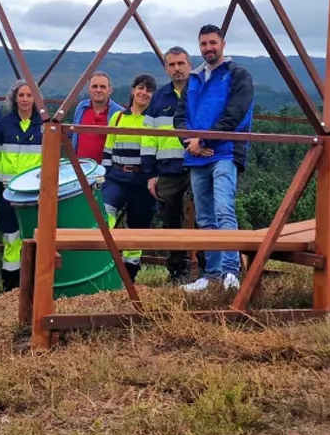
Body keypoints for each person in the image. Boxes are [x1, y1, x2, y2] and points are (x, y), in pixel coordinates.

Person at [173, 24, 254, 292]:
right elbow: (180, 117)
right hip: (197, 156)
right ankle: (212, 275)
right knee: (205, 216)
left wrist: (204, 141)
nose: (208, 48)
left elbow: (236, 113)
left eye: (212, 43)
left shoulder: (238, 74)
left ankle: (231, 273)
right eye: (204, 44)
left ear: (223, 44)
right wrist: (191, 143)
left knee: (223, 210)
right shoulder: (194, 78)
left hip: (225, 152)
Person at [100, 74, 158, 282]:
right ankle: (104, 262)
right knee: (105, 215)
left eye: (149, 90)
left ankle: (129, 275)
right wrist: (104, 176)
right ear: (133, 90)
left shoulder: (153, 120)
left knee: (138, 226)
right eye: (140, 88)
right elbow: (108, 149)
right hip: (117, 176)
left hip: (142, 179)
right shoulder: (117, 118)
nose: (144, 93)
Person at [147, 47, 194, 283]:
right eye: (172, 65)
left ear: (190, 65)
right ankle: (177, 270)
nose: (177, 69)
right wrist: (151, 174)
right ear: (166, 69)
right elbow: (148, 137)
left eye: (181, 63)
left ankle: (206, 268)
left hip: (197, 164)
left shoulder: (199, 90)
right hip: (167, 169)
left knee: (202, 218)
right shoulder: (159, 98)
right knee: (170, 220)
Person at [0, 80, 43, 291]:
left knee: (33, 237)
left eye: (29, 95)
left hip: (34, 192)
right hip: (8, 190)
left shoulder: (43, 126)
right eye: (21, 95)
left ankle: (34, 285)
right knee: (11, 237)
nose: (24, 99)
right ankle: (10, 286)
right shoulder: (3, 125)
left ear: (35, 99)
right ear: (14, 99)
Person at [71, 72, 124, 162]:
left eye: (102, 87)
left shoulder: (119, 112)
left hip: (105, 170)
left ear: (110, 90)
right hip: (79, 167)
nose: (98, 90)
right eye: (94, 86)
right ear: (89, 89)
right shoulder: (81, 107)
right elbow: (73, 134)